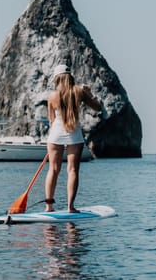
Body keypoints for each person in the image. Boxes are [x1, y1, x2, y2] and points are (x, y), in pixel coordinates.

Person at [45, 64, 101, 213]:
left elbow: (51, 121)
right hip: (74, 134)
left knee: (53, 169)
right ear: (70, 77)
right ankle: (70, 207)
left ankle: (49, 206)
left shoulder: (52, 96)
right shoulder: (80, 92)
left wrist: (53, 138)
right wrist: (90, 94)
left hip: (55, 134)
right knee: (72, 170)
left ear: (57, 79)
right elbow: (98, 107)